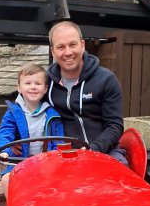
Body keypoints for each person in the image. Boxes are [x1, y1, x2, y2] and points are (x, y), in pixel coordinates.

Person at [47, 20, 127, 164]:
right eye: (60, 47)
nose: (68, 52)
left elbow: (114, 126)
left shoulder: (106, 79)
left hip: (103, 151)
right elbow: (22, 110)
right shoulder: (45, 83)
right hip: (61, 155)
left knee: (120, 176)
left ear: (82, 45)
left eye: (72, 44)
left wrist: (92, 150)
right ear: (53, 51)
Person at [0, 62, 64, 197]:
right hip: (19, 162)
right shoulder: (13, 112)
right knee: (6, 180)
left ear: (45, 89)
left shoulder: (52, 115)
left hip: (46, 165)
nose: (33, 87)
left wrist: (57, 159)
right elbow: (5, 132)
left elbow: (58, 141)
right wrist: (5, 150)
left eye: (37, 84)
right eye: (28, 83)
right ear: (19, 87)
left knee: (59, 182)